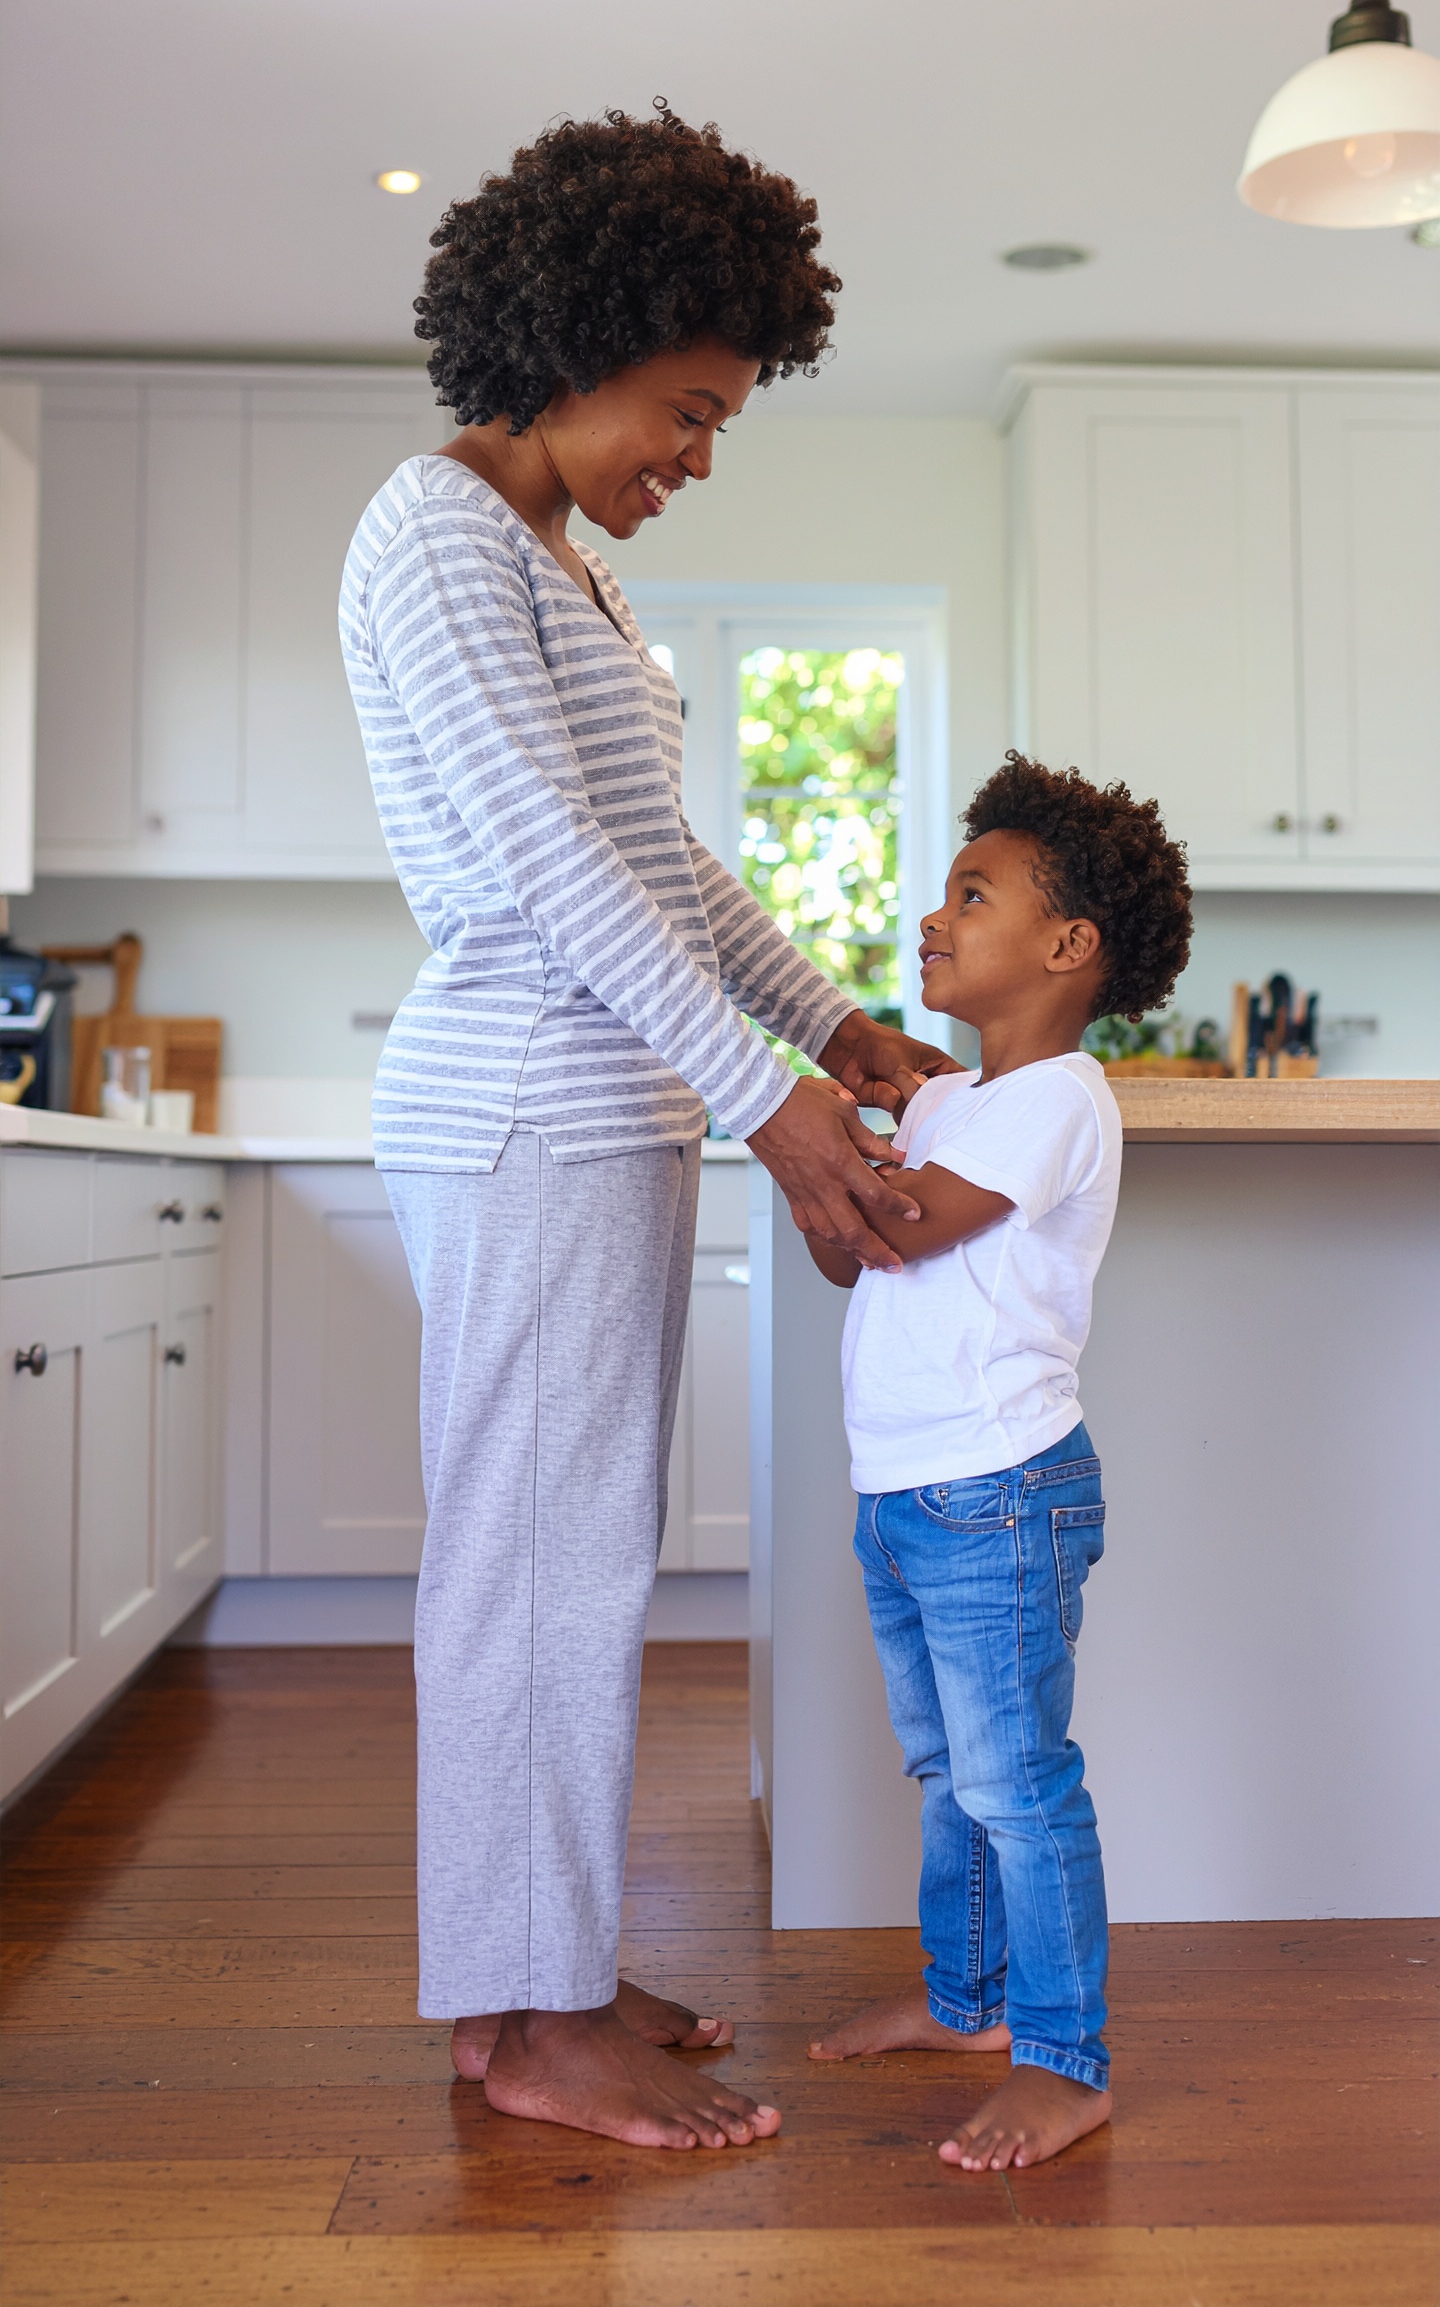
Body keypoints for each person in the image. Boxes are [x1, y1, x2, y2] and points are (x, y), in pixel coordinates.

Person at [339, 104, 957, 2152]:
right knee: (532, 1572)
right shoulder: (432, 529)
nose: (694, 456)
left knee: (576, 1562)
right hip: (520, 1097)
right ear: (580, 335)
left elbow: (668, 865)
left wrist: (834, 1020)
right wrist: (775, 1104)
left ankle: (550, 1960)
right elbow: (546, 866)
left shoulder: (555, 571)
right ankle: (518, 2026)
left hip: (591, 1100)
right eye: (684, 410)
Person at [802, 753, 1192, 2170]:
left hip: (1000, 1495)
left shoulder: (1058, 1100)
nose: (934, 917)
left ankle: (1065, 2059)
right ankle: (970, 2002)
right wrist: (838, 1152)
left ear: (1069, 946)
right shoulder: (957, 1099)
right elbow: (853, 1255)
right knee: (950, 1773)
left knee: (1019, 1784)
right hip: (909, 1494)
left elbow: (897, 1229)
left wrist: (822, 1146)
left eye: (974, 894)